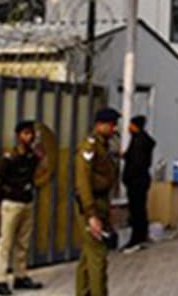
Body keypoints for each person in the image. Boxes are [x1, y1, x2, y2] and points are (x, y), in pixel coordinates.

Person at [0, 120, 46, 295]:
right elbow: (0, 180)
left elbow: (39, 173)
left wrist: (40, 157)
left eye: (31, 133)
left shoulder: (32, 156)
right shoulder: (10, 157)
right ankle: (0, 280)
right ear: (18, 136)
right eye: (26, 133)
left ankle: (20, 276)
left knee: (23, 242)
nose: (29, 137)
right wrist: (0, 202)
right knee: (5, 242)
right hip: (11, 202)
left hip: (27, 201)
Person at [75, 107, 120, 296]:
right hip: (90, 205)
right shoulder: (90, 146)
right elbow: (83, 181)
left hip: (100, 203)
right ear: (100, 125)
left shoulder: (104, 146)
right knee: (98, 256)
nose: (114, 128)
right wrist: (91, 214)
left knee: (88, 258)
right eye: (111, 124)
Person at [121, 115, 156, 252]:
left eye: (130, 125)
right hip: (141, 180)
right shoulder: (141, 140)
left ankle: (136, 238)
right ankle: (141, 236)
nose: (128, 128)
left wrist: (128, 177)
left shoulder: (138, 141)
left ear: (135, 126)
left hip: (136, 181)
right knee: (140, 209)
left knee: (136, 210)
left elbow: (137, 162)